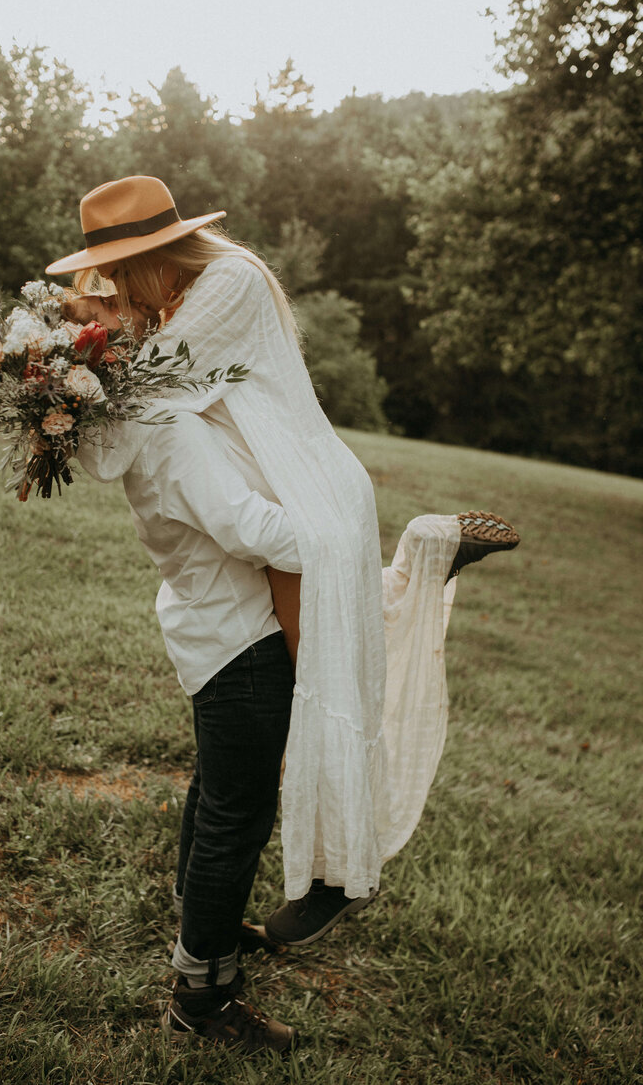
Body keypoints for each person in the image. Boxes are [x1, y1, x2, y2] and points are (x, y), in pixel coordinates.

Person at [45, 177, 520, 1051]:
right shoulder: (168, 424)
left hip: (207, 626)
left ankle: (208, 934)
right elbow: (254, 528)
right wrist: (326, 531)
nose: (129, 310)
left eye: (117, 290)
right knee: (235, 812)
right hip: (243, 643)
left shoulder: (141, 416)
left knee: (218, 791)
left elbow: (167, 435)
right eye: (108, 308)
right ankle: (201, 994)